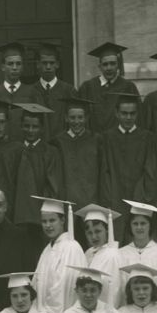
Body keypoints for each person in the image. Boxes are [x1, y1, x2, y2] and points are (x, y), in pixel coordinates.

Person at [0, 103, 61, 250]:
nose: (30, 130)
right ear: (21, 126)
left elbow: (52, 187)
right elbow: (5, 185)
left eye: (35, 127)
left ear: (42, 128)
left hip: (41, 219)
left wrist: (44, 215)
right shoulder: (11, 151)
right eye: (26, 126)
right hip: (14, 217)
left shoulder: (50, 152)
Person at [98, 93, 157, 242]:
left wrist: (141, 200)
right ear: (116, 113)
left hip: (139, 201)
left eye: (132, 113)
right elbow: (104, 173)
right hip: (115, 202)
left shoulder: (148, 138)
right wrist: (109, 201)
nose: (128, 117)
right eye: (124, 113)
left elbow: (151, 174)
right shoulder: (107, 138)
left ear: (137, 114)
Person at [50, 96, 102, 227]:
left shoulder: (97, 140)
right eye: (72, 118)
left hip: (92, 202)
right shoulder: (58, 142)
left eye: (80, 117)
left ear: (87, 118)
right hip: (68, 203)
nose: (76, 121)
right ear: (66, 118)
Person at [32, 196, 86, 313]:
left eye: (52, 220)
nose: (48, 225)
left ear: (62, 220)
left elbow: (60, 289)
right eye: (44, 221)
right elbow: (36, 284)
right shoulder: (47, 249)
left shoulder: (71, 247)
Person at [0, 41, 39, 142]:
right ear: (3, 67)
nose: (14, 68)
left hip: (25, 151)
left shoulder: (33, 94)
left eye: (18, 64)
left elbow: (39, 126)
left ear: (22, 67)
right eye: (10, 64)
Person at [76, 42, 140, 133]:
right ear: (100, 67)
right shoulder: (88, 87)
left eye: (112, 64)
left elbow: (137, 118)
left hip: (119, 141)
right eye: (105, 64)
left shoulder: (128, 87)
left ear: (118, 65)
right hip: (93, 141)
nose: (109, 68)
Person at [77, 204, 122, 306]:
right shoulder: (88, 253)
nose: (94, 236)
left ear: (107, 230)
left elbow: (115, 290)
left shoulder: (113, 254)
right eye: (89, 233)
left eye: (98, 231)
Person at [33, 43, 75, 140]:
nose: (48, 67)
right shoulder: (31, 91)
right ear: (38, 64)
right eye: (44, 63)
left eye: (51, 63)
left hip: (63, 145)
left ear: (57, 64)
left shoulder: (68, 90)